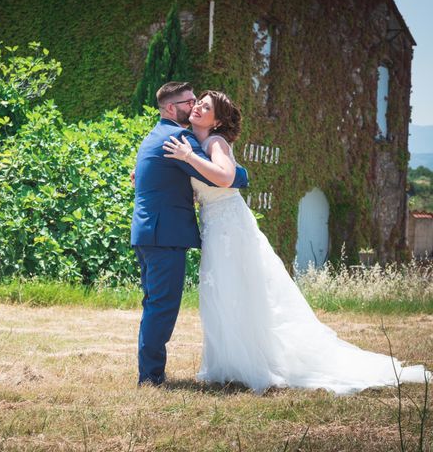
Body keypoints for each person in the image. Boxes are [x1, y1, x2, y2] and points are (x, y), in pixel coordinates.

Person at [162, 90, 430, 394]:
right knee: (221, 292)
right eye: (198, 103)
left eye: (205, 106)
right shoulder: (195, 142)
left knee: (236, 289)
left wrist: (188, 158)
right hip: (214, 224)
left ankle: (252, 364)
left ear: (219, 119)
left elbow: (225, 177)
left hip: (229, 226)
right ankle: (228, 364)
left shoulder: (215, 143)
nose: (197, 107)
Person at [131, 82, 249, 386]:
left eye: (200, 102)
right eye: (190, 101)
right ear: (172, 108)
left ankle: (149, 372)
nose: (195, 105)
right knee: (162, 306)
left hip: (148, 233)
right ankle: (151, 377)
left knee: (154, 303)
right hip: (165, 235)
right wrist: (243, 174)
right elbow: (225, 177)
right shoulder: (178, 137)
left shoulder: (154, 135)